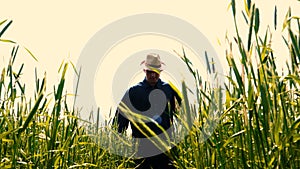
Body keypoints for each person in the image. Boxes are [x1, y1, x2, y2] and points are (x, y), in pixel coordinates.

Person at [113, 53, 182, 169]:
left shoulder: (169, 90)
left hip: (165, 150)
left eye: (156, 72)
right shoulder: (133, 92)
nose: (153, 75)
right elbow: (119, 122)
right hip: (141, 151)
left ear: (160, 71)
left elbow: (182, 115)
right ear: (145, 71)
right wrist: (118, 142)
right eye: (150, 71)